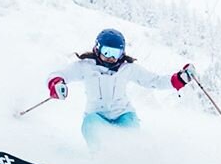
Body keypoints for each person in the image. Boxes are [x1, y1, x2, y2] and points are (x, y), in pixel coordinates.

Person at [47, 28, 195, 150]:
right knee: (90, 126)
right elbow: (59, 74)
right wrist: (57, 83)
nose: (110, 58)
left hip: (123, 114)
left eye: (115, 54)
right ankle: (98, 162)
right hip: (96, 115)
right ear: (97, 49)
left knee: (129, 142)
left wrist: (180, 79)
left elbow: (154, 81)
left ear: (122, 53)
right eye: (107, 52)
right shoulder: (85, 66)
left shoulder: (128, 69)